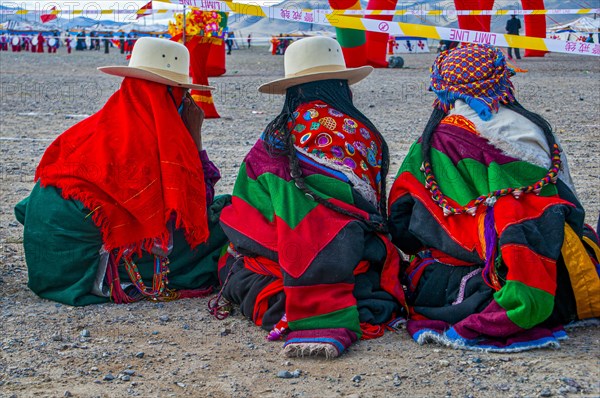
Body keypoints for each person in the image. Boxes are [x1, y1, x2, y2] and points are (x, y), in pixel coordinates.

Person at [388, 44, 600, 352]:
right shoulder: (535, 128)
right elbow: (570, 206)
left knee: (426, 275)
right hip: (562, 279)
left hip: (484, 282)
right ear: (502, 82)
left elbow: (401, 219)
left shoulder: (434, 142)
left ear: (444, 90)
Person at [216, 37, 404, 358]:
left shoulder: (279, 134)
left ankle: (308, 298)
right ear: (343, 87)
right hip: (358, 257)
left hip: (286, 260)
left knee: (231, 259)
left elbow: (250, 200)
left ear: (294, 89)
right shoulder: (364, 132)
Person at [15, 38, 230, 306]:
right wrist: (195, 138)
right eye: (181, 94)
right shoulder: (161, 138)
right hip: (85, 267)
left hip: (47, 260)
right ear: (170, 96)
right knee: (224, 222)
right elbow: (196, 206)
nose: (186, 102)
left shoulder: (100, 125)